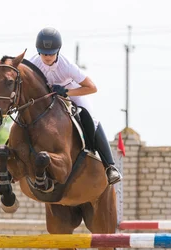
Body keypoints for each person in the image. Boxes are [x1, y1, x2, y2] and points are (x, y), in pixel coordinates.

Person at [28, 27, 123, 185]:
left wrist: (66, 92)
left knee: (91, 119)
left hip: (71, 91)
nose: (47, 57)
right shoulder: (33, 64)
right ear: (38, 51)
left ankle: (110, 166)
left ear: (58, 51)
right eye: (44, 53)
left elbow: (92, 87)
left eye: (51, 53)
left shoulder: (67, 66)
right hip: (45, 97)